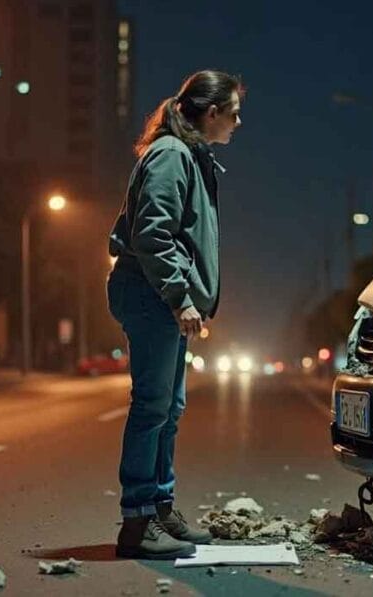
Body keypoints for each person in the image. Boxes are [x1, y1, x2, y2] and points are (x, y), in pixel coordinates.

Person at [107, 70, 243, 559]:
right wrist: (180, 296)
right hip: (150, 294)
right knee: (152, 407)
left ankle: (160, 509)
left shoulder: (189, 156)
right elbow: (153, 234)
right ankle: (138, 521)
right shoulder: (171, 155)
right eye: (233, 112)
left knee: (169, 408)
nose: (237, 122)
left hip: (159, 295)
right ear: (211, 113)